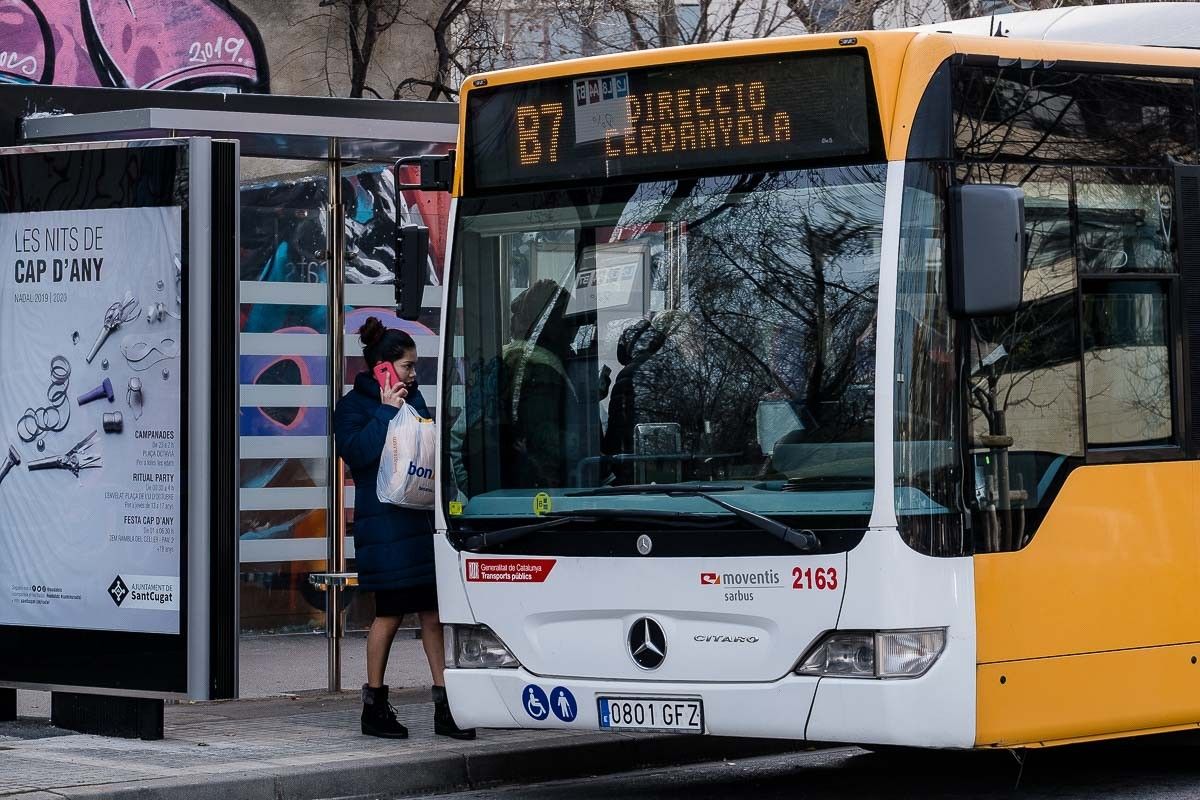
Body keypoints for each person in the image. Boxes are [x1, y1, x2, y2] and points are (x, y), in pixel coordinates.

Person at [332, 316, 475, 741]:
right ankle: (373, 705)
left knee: (433, 614)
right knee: (390, 614)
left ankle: (446, 706)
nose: (414, 374)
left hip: (418, 523)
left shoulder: (415, 401)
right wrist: (385, 411)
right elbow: (356, 454)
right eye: (408, 366)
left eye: (414, 366)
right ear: (383, 368)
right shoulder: (354, 406)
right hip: (385, 528)